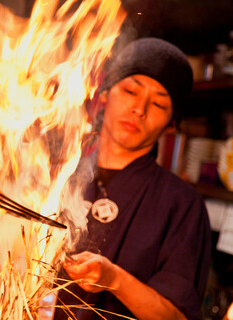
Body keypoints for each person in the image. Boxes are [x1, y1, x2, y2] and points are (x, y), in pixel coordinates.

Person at [53, 37, 212, 320]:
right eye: (130, 91)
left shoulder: (182, 205)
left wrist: (113, 278)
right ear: (104, 94)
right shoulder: (56, 174)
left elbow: (177, 317)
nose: (140, 109)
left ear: (172, 123)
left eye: (159, 104)